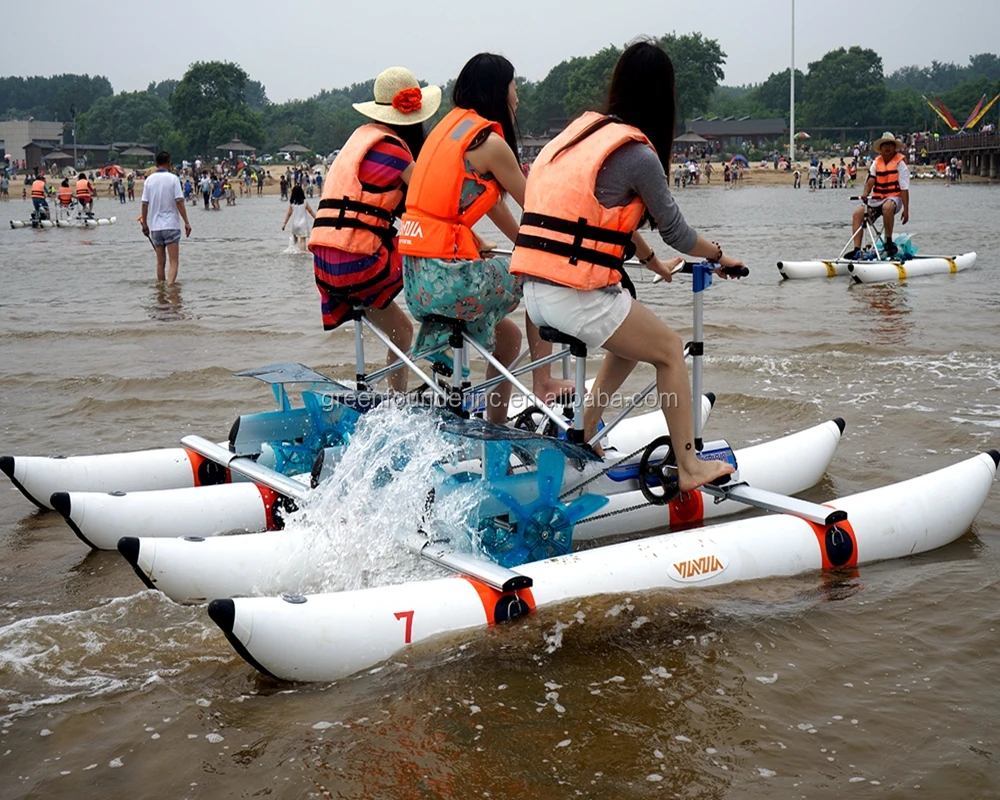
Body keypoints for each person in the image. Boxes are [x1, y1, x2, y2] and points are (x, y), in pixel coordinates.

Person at [508, 39, 743, 493]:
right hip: (572, 295)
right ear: (664, 97)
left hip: (535, 294)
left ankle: (587, 427)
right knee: (671, 350)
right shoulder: (637, 152)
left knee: (632, 336)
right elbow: (676, 231)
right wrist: (718, 255)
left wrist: (654, 264)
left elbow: (596, 217)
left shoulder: (579, 135)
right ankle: (690, 466)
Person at [398, 53, 574, 420]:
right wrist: (567, 247)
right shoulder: (490, 144)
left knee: (509, 340)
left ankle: (494, 430)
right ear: (498, 90)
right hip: (449, 281)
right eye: (515, 87)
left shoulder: (447, 131)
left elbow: (492, 205)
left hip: (417, 280)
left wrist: (521, 243)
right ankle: (543, 380)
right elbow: (538, 209)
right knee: (536, 274)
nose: (517, 97)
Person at [308, 66, 437, 394]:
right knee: (435, 263)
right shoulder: (394, 149)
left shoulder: (358, 141)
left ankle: (393, 398)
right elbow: (431, 202)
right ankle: (440, 344)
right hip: (360, 264)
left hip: (324, 265)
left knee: (401, 331)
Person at [848, 131, 910, 259]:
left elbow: (904, 188)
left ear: (894, 147)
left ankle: (888, 242)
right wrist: (865, 193)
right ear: (880, 148)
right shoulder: (876, 163)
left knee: (887, 207)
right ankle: (857, 250)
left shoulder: (900, 164)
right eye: (884, 145)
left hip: (894, 198)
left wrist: (906, 210)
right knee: (857, 213)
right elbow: (871, 180)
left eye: (890, 145)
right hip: (876, 199)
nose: (887, 147)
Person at [140, 151, 192, 285]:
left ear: (156, 164)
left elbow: (145, 204)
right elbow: (179, 201)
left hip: (156, 227)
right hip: (171, 225)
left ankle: (161, 292)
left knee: (160, 263)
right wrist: (186, 222)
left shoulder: (149, 180)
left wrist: (145, 224)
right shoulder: (173, 179)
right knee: (174, 261)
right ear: (169, 163)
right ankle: (170, 287)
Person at [282, 184, 316, 251]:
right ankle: (302, 253)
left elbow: (288, 214)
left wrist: (284, 224)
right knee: (302, 241)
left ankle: (293, 250)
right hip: (303, 224)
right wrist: (316, 218)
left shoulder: (292, 204)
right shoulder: (305, 202)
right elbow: (310, 211)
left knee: (294, 239)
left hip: (295, 224)